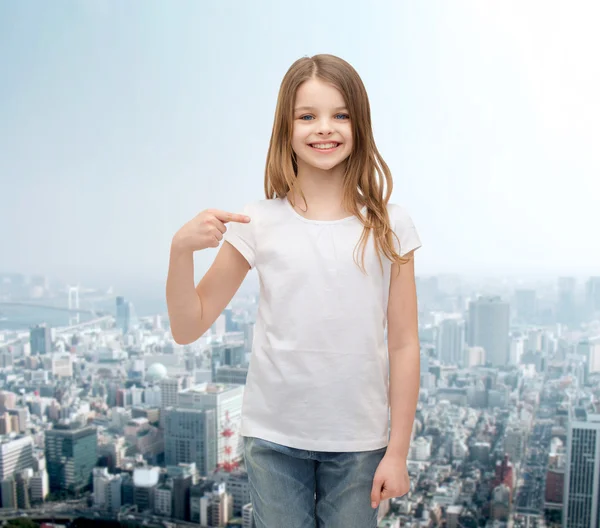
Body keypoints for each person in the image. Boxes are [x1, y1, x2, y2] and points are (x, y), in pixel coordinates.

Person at [166, 53, 422, 528]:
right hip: (273, 440)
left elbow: (404, 342)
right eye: (307, 116)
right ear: (286, 129)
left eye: (340, 114)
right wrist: (180, 250)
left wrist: (398, 451)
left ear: (360, 124)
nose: (324, 128)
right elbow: (188, 325)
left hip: (361, 443)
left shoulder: (390, 224)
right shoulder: (257, 221)